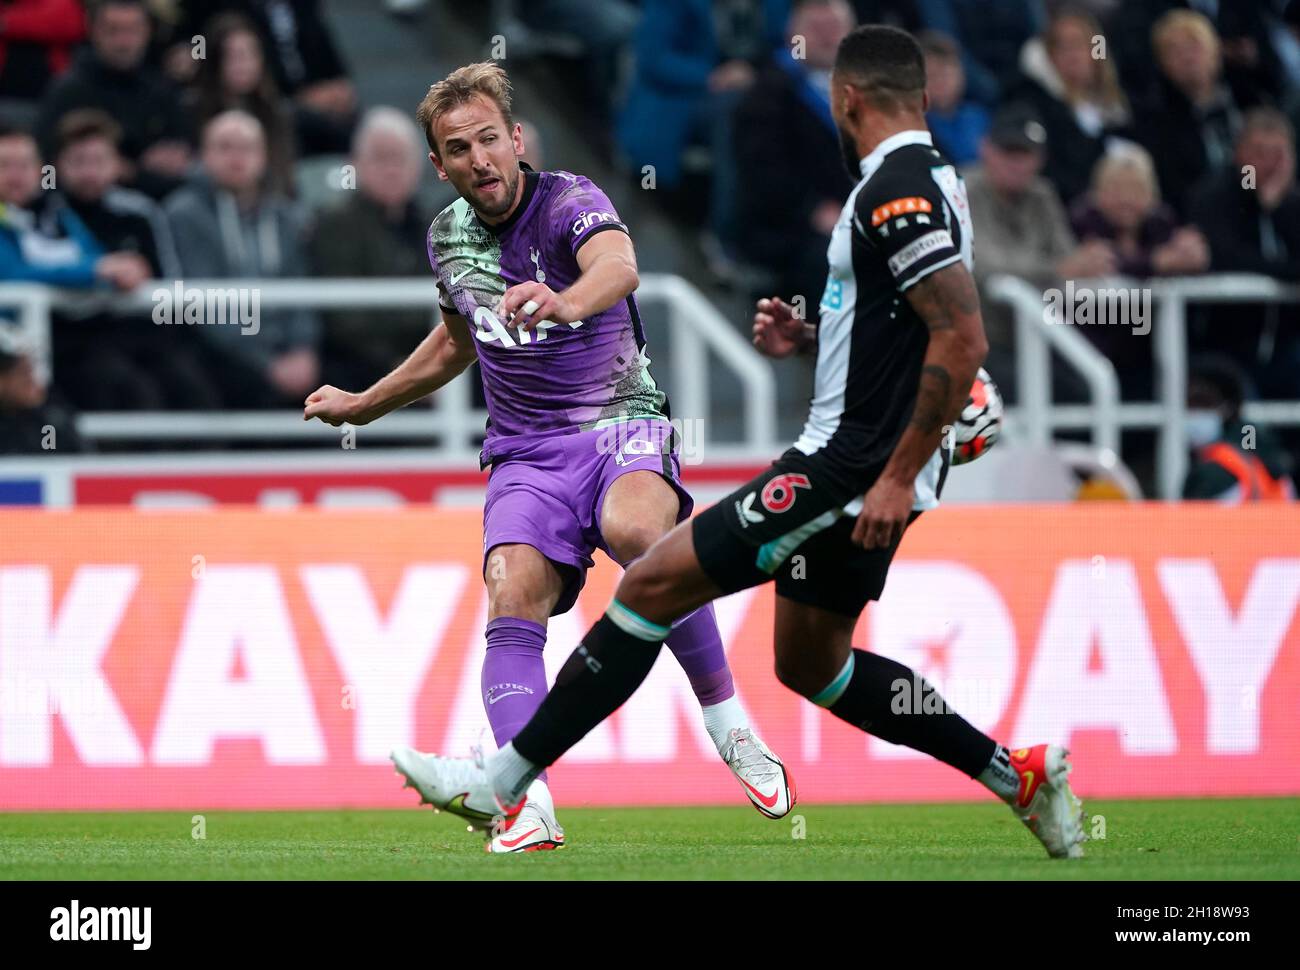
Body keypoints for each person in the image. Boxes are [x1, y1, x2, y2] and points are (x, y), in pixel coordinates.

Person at [388, 29, 1088, 861]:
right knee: (816, 665)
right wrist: (816, 336)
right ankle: (1019, 775)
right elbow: (900, 320)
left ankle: (500, 783)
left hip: (844, 470)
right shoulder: (931, 177)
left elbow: (961, 337)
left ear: (847, 101)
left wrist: (900, 473)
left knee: (651, 582)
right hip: (867, 466)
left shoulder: (892, 193)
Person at [302, 62, 793, 853]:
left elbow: (620, 267)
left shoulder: (571, 200)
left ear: (516, 138)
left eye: (489, 140)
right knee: (512, 590)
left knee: (640, 532)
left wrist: (565, 300)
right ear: (439, 165)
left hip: (618, 422)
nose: (478, 160)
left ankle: (727, 721)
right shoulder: (447, 238)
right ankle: (524, 804)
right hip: (525, 451)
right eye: (458, 149)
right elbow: (458, 342)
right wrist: (364, 403)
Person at [165, 110, 320, 408]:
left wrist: (303, 348)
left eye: (247, 148)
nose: (236, 157)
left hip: (285, 354)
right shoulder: (184, 214)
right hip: (217, 355)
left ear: (263, 157)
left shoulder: (286, 218)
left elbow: (301, 288)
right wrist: (265, 364)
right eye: (224, 147)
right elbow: (203, 306)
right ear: (204, 155)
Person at [307, 107, 435, 389]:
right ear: (355, 164)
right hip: (359, 362)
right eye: (380, 158)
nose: (391, 169)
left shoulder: (435, 225)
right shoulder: (333, 224)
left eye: (400, 158)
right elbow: (344, 319)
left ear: (417, 166)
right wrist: (404, 367)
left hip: (428, 360)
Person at [35, 0, 193, 200]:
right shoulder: (68, 92)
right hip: (77, 206)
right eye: (113, 30)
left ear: (148, 32)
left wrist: (132, 171)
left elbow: (181, 158)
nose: (123, 42)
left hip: (157, 204)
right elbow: (44, 166)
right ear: (94, 32)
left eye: (132, 30)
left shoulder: (162, 90)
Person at [1182, 356, 1295, 502]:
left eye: (1202, 404)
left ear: (1228, 407)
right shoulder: (1268, 453)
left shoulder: (1214, 474)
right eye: (1189, 405)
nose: (1193, 413)